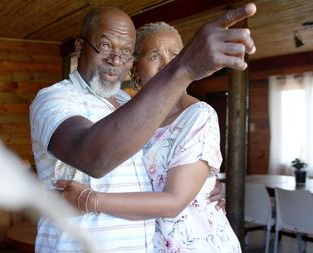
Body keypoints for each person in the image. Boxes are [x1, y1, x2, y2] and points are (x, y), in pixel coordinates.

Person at [30, 4, 256, 252]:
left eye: (126, 51)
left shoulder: (130, 105)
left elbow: (163, 178)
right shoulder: (56, 99)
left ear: (131, 62)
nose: (116, 58)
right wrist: (184, 67)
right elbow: (94, 157)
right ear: (80, 47)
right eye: (105, 45)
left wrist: (201, 188)